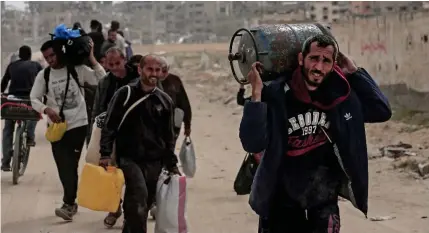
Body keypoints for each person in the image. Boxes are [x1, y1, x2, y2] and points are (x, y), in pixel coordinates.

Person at [239, 34, 392, 233]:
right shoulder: (277, 95)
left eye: (326, 61)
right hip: (281, 196)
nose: (319, 68)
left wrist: (355, 73)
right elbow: (252, 143)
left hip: (323, 195)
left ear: (333, 64)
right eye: (314, 59)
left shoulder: (339, 96)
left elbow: (381, 110)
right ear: (301, 59)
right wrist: (257, 94)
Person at [99, 54, 180, 233]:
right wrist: (105, 153)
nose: (154, 73)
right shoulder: (125, 94)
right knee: (138, 196)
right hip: (129, 158)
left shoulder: (164, 100)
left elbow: (169, 137)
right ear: (140, 70)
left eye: (158, 70)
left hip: (154, 160)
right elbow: (110, 125)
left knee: (144, 202)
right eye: (150, 69)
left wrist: (171, 163)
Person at [30, 39, 106, 221]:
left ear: (60, 53)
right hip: (56, 129)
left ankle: (68, 203)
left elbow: (102, 79)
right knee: (63, 166)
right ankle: (71, 202)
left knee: (69, 165)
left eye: (52, 55)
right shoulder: (44, 75)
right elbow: (34, 98)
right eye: (46, 57)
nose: (49, 60)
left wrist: (92, 58)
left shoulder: (76, 70)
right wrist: (46, 109)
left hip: (78, 125)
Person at [91, 47, 139, 228]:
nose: (114, 68)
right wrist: (94, 139)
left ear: (125, 60)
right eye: (110, 65)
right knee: (111, 175)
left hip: (137, 135)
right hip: (112, 136)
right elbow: (97, 111)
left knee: (134, 176)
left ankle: (133, 210)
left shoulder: (138, 78)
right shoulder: (105, 83)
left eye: (117, 63)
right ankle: (114, 207)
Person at [1, 45, 43, 171]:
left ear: (19, 55)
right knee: (36, 111)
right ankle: (30, 136)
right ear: (30, 55)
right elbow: (43, 80)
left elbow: (4, 82)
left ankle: (6, 162)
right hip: (29, 100)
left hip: (12, 101)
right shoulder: (36, 66)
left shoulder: (12, 65)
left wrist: (2, 92)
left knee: (8, 129)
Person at [158, 57, 192, 142]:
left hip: (173, 124)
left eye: (164, 70)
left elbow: (184, 103)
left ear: (168, 69)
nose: (162, 74)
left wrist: (187, 125)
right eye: (158, 70)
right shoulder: (150, 82)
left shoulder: (174, 81)